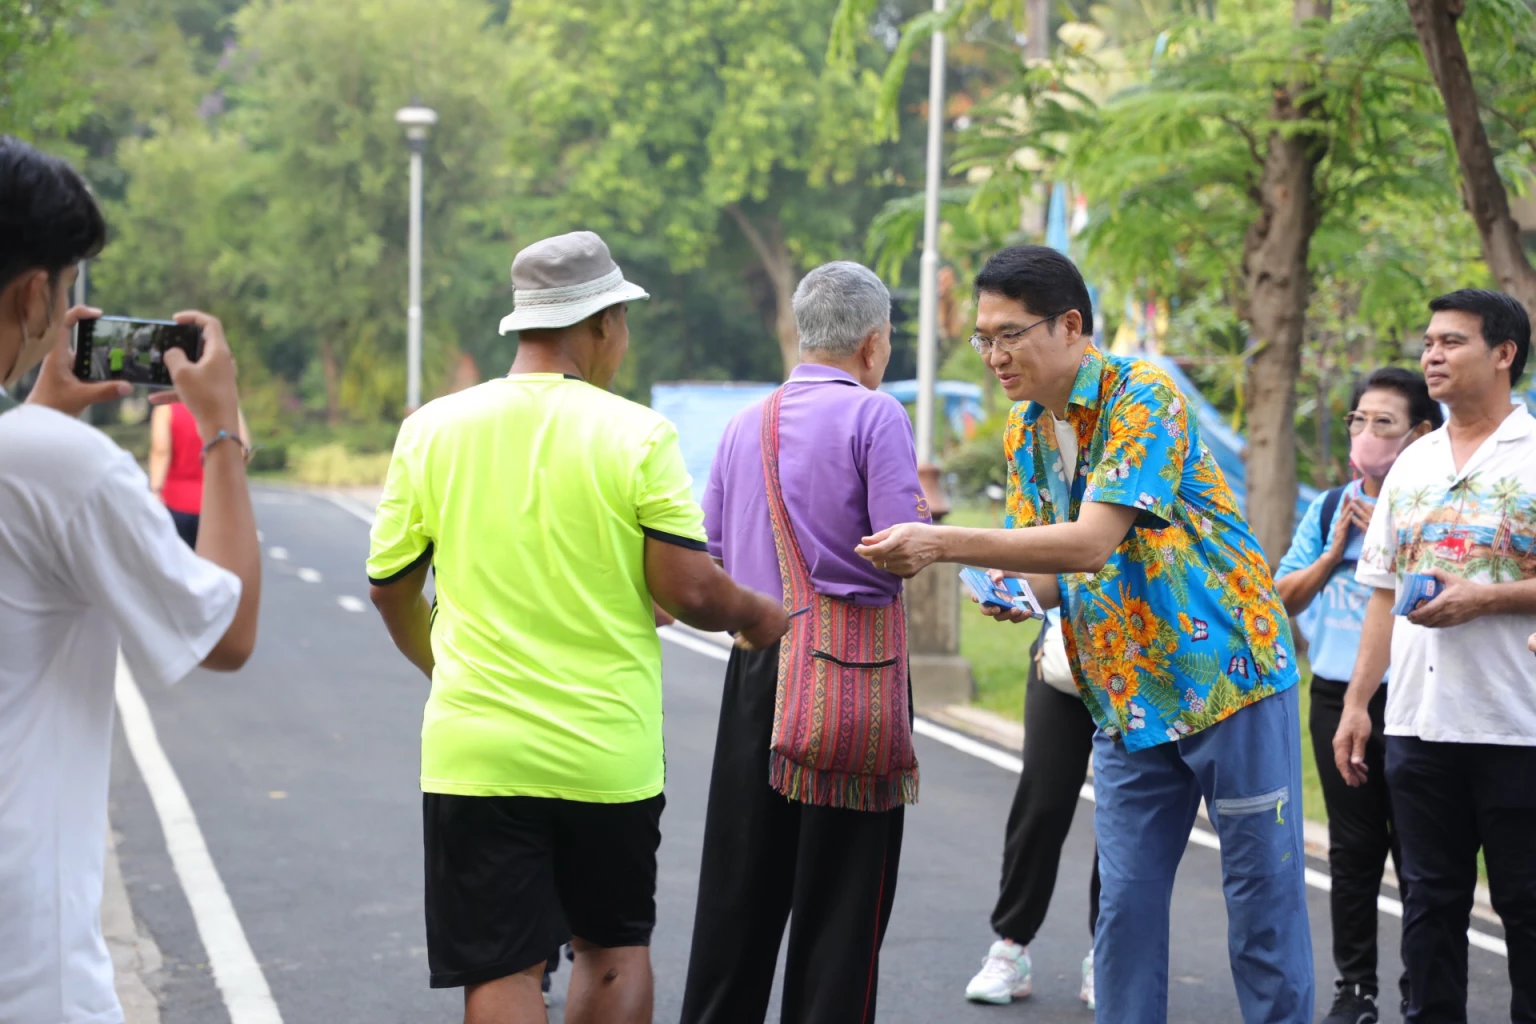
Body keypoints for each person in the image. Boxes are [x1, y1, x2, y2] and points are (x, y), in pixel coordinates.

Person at [856, 245, 1313, 1024]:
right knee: (1125, 912)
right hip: (1125, 700)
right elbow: (1048, 565)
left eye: (1009, 334)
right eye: (983, 338)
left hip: (1228, 680)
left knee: (1261, 907)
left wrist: (942, 541)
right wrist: (1012, 593)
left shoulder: (1146, 398)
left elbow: (1091, 541)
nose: (994, 356)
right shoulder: (1025, 429)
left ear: (1071, 326)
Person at [367, 230, 788, 1024]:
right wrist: (761, 616)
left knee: (502, 964)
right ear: (601, 325)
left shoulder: (431, 430)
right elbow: (689, 590)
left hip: (479, 750)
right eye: (622, 323)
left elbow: (390, 589)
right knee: (610, 948)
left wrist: (443, 668)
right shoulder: (636, 434)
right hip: (606, 751)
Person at [0, 136, 261, 1024]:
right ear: (36, 293)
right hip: (30, 966)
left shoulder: (29, 453)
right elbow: (227, 633)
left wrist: (36, 414)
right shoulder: (57, 466)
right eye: (67, 286)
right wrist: (221, 430)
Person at [678, 261, 926, 1024]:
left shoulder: (741, 425)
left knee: (738, 896)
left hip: (757, 668)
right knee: (841, 908)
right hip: (851, 671)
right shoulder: (876, 417)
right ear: (875, 344)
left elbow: (713, 551)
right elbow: (901, 548)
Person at [1334, 289, 1536, 1024]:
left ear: (1504, 353)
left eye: (1452, 342)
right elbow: (1382, 594)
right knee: (1428, 907)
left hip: (1519, 727)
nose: (1432, 356)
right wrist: (1359, 704)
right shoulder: (1414, 462)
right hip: (1418, 729)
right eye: (1428, 342)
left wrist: (1485, 597)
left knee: (1525, 906)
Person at [1275, 368, 1442, 1024]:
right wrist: (1334, 552)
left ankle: (1423, 990)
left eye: (1384, 424)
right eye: (1357, 421)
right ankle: (1356, 989)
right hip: (1335, 695)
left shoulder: (1433, 509)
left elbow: (1445, 595)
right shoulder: (1326, 508)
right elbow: (1279, 596)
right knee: (1352, 847)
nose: (1366, 436)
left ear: (1420, 434)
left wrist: (1386, 546)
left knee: (1423, 854)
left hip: (1417, 700)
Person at [963, 608, 1101, 1010]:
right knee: (1041, 804)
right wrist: (1008, 580)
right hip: (1060, 661)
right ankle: (1011, 946)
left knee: (1121, 819)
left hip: (1137, 668)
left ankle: (1109, 955)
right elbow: (1035, 554)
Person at [150, 400, 252, 547]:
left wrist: (155, 490)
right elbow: (241, 449)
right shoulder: (225, 404)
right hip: (217, 503)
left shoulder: (166, 408)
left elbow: (161, 450)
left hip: (175, 502)